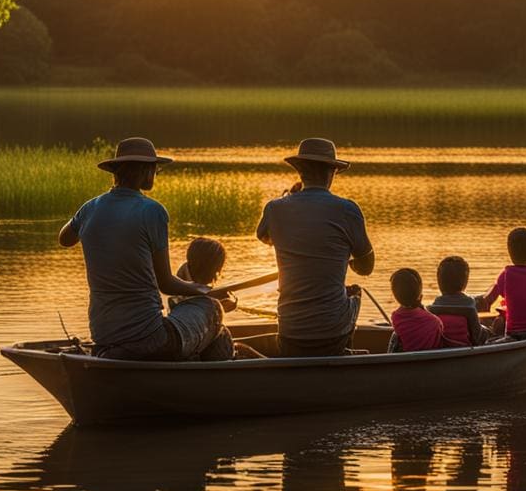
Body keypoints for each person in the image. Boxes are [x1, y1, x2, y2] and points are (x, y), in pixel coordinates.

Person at [58, 137, 235, 361]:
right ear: (145, 171)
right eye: (155, 169)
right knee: (213, 308)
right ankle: (211, 377)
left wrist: (83, 218)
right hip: (149, 339)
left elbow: (65, 239)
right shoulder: (153, 211)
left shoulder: (89, 208)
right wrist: (206, 290)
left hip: (104, 334)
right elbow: (166, 283)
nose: (156, 174)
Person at [256, 138, 374, 357]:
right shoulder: (347, 210)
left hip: (290, 332)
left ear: (300, 172)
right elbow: (367, 267)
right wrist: (342, 256)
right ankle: (342, 356)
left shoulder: (274, 208)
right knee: (354, 293)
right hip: (332, 334)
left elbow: (263, 236)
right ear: (332, 172)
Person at [478, 227, 526, 340]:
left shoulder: (506, 274)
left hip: (514, 333)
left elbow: (491, 298)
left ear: (509, 251)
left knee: (497, 323)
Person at [428, 255, 490, 346]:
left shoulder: (433, 307)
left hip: (442, 347)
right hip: (465, 347)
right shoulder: (469, 306)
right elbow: (477, 338)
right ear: (465, 282)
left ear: (439, 282)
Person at [387, 268, 447, 353]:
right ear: (420, 293)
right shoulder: (435, 322)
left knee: (395, 336)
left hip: (406, 362)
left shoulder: (396, 318)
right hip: (430, 363)